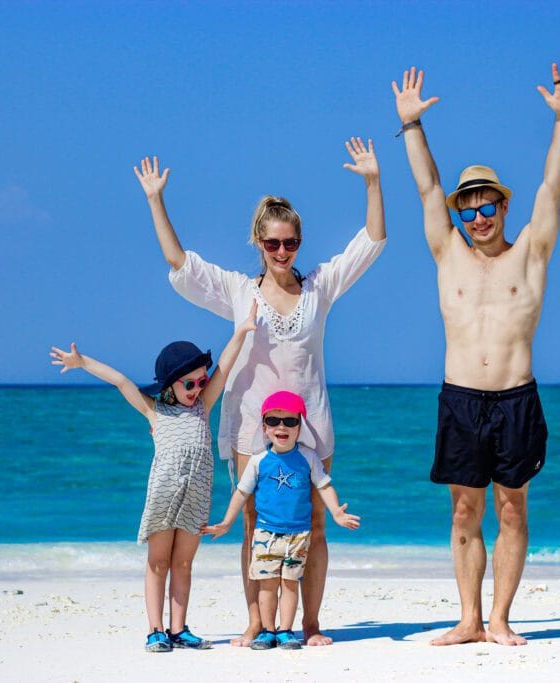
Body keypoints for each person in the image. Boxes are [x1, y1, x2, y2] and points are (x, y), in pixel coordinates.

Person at [133, 137, 385, 646]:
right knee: (254, 522)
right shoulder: (237, 290)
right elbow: (179, 264)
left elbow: (372, 242)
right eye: (272, 244)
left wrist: (373, 181)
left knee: (313, 522)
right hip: (252, 421)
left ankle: (308, 623)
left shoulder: (320, 287)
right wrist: (155, 199)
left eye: (290, 242)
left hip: (310, 419)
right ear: (257, 242)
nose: (282, 252)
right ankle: (258, 620)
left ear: (299, 243)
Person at [391, 61, 560, 646]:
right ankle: (469, 619)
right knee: (462, 514)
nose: (477, 217)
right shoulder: (447, 251)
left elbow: (552, 188)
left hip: (516, 398)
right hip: (460, 399)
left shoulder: (530, 253)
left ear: (503, 207)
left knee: (512, 510)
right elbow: (427, 187)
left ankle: (500, 619)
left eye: (486, 207)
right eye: (468, 209)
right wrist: (411, 127)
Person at [48, 301, 257, 652]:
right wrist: (82, 363)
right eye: (188, 384)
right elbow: (121, 381)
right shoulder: (155, 410)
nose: (196, 389)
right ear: (169, 386)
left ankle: (179, 629)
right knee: (158, 562)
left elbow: (224, 365)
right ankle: (155, 630)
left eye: (200, 382)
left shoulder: (204, 406)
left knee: (184, 562)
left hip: (196, 495)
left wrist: (241, 331)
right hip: (164, 496)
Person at [201, 391, 360, 650]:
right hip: (265, 535)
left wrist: (337, 513)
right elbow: (241, 493)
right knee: (267, 584)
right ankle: (267, 630)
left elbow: (324, 485)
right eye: (273, 421)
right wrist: (226, 523)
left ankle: (286, 631)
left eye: (290, 421)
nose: (281, 427)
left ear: (300, 425)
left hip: (298, 535)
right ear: (264, 427)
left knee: (289, 584)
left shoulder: (307, 458)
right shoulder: (258, 461)